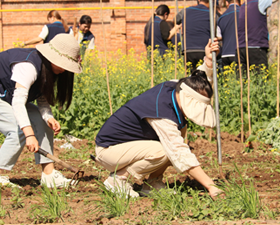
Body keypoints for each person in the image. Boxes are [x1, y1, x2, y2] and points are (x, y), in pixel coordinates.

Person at [94, 40, 223, 198]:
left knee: (178, 134)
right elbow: (177, 151)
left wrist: (208, 61)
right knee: (166, 150)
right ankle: (119, 179)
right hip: (110, 150)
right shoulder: (162, 112)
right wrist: (211, 186)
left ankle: (152, 184)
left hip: (130, 146)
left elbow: (197, 84)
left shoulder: (177, 88)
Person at [0, 33, 82, 188]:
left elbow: (41, 96)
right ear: (53, 58)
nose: (66, 70)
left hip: (3, 94)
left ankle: (49, 175)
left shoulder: (48, 69)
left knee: (42, 122)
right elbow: (18, 102)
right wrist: (30, 135)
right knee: (18, 128)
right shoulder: (29, 66)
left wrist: (48, 117)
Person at [179, 0, 213, 70]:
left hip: (188, 49)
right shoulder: (212, 14)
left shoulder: (185, 11)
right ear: (211, 1)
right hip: (203, 50)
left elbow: (175, 19)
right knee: (203, 77)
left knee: (189, 79)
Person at [217, 0, 241, 68]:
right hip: (240, 52)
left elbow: (218, 37)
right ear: (239, 2)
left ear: (227, 3)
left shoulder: (221, 17)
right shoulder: (244, 14)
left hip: (225, 54)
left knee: (227, 78)